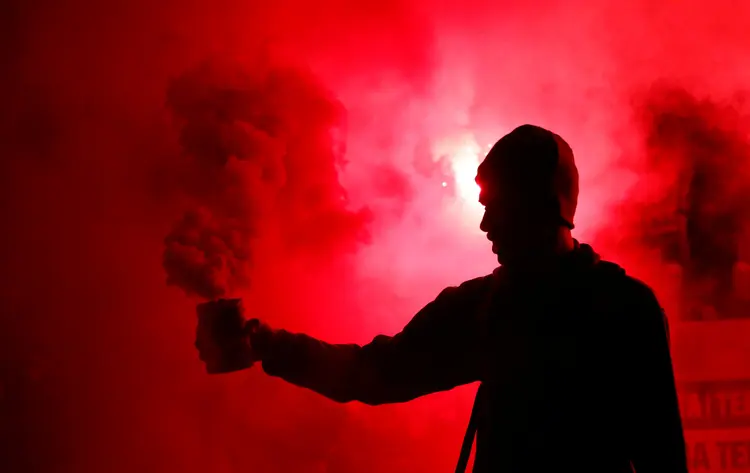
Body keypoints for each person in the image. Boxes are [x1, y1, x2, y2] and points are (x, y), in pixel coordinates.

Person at [195, 124, 688, 473]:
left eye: (497, 208)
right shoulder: (605, 307)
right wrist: (271, 345)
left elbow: (660, 455)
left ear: (539, 207)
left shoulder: (618, 310)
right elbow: (375, 373)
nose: (485, 226)